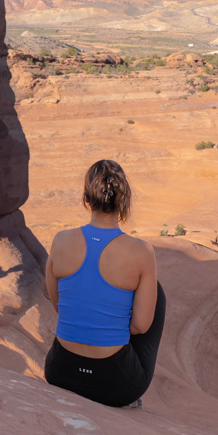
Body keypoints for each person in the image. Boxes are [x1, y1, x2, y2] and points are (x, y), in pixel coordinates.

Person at [44, 158, 165, 408]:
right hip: (115, 386)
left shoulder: (60, 240)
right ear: (124, 200)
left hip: (60, 373)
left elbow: (59, 304)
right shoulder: (142, 251)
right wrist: (115, 325)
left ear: (86, 198)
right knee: (157, 294)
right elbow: (142, 326)